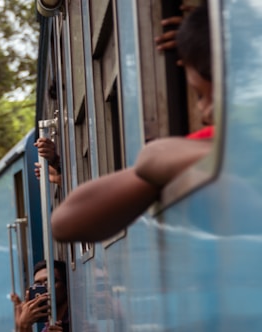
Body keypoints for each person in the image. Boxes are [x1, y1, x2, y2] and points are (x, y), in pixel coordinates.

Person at [51, 3, 213, 243]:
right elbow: (65, 222)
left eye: (205, 95)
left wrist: (155, 156)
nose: (204, 113)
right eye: (198, 97)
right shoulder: (207, 143)